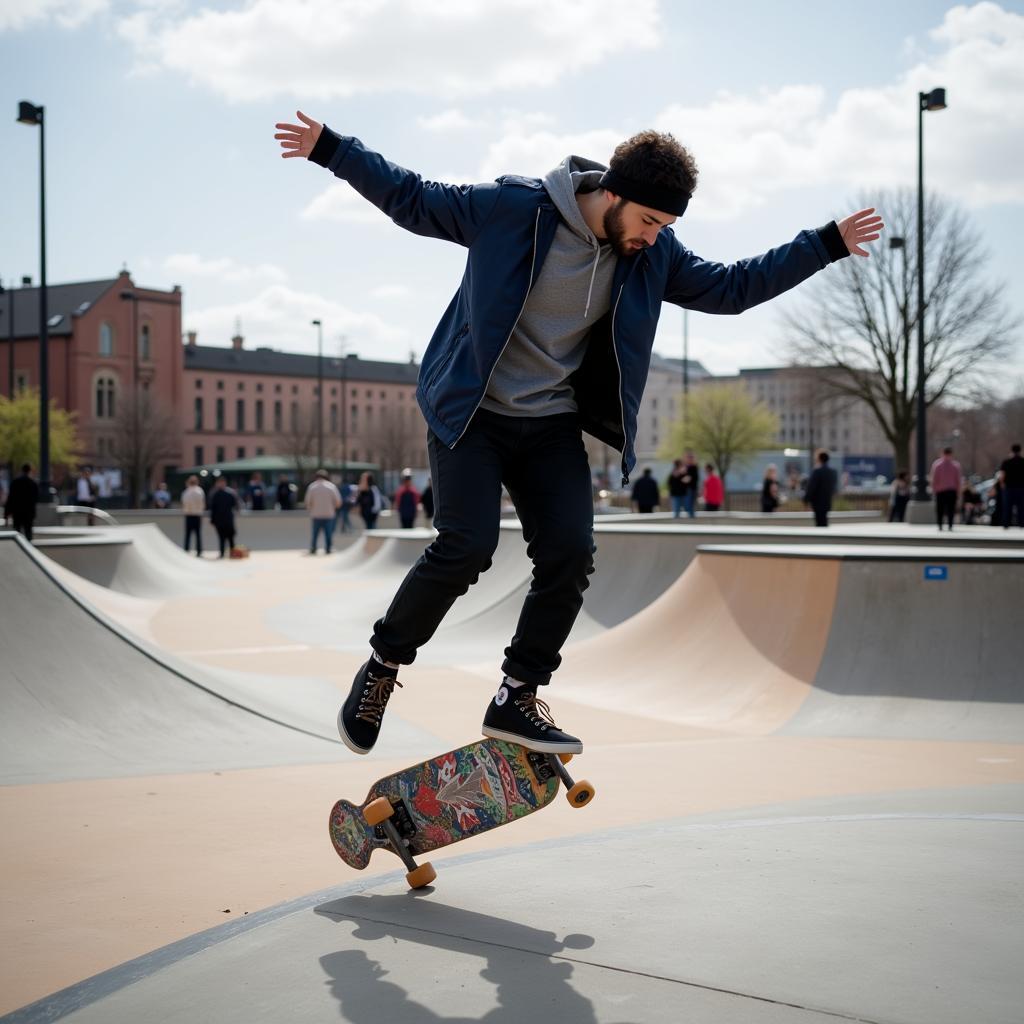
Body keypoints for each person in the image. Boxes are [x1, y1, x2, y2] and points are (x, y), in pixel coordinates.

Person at [275, 108, 883, 756]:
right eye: (649, 221)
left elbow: (730, 289)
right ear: (612, 195)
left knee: (570, 551)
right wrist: (333, 149)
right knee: (467, 544)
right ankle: (382, 668)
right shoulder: (514, 209)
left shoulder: (652, 254)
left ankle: (517, 694)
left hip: (549, 425)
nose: (654, 237)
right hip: (472, 411)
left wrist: (824, 245)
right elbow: (414, 199)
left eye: (666, 227)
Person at [305, 469, 342, 553]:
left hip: (316, 514)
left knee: (315, 534)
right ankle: (328, 548)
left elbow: (307, 502)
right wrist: (333, 508)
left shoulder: (312, 487)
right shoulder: (331, 487)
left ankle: (313, 548)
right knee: (328, 534)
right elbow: (338, 502)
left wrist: (312, 509)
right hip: (329, 514)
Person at [4, 464, 39, 542]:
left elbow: (10, 499)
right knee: (28, 532)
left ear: (22, 470)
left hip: (17, 512)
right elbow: (36, 499)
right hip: (28, 512)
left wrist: (6, 515)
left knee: (17, 532)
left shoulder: (15, 482)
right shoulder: (33, 483)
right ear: (29, 471)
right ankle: (29, 548)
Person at [929, 446, 962, 532]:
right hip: (951, 491)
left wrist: (933, 489)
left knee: (940, 509)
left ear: (943, 453)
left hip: (940, 491)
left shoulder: (937, 465)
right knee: (950, 509)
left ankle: (940, 525)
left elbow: (934, 479)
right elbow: (958, 480)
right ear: (951, 454)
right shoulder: (955, 465)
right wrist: (958, 492)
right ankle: (950, 525)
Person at [804, 450, 838, 527]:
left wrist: (806, 500)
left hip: (817, 503)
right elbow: (834, 488)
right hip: (827, 502)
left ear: (819, 459)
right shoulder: (832, 472)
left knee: (819, 523)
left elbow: (811, 487)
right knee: (824, 522)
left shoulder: (817, 471)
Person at [209, 476, 240, 558]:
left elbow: (235, 505)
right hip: (222, 520)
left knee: (230, 538)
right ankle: (223, 553)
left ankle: (231, 553)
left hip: (227, 519)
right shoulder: (218, 494)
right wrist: (212, 520)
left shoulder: (226, 493)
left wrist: (212, 520)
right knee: (222, 538)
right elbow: (213, 508)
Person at [998, 442, 1024, 528]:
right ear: (1020, 451)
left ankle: (1006, 524)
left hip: (1009, 487)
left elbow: (1002, 474)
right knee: (1021, 507)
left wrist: (1002, 484)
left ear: (1012, 450)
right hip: (1021, 487)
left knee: (1007, 506)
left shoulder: (1006, 461)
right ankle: (1021, 523)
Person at [181, 475, 206, 556]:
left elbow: (184, 504)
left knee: (187, 535)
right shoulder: (200, 491)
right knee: (198, 534)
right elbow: (202, 504)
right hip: (197, 515)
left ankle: (186, 550)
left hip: (188, 515)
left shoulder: (186, 492)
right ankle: (199, 551)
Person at [680, 452, 699, 518]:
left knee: (689, 504)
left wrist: (684, 479)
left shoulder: (693, 467)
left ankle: (691, 516)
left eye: (689, 458)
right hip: (687, 488)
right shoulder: (687, 467)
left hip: (691, 488)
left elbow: (689, 478)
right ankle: (691, 515)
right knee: (687, 505)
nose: (688, 460)